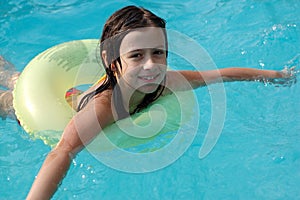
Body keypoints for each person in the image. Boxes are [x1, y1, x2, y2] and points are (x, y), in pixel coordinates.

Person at [0, 5, 296, 199]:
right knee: (11, 101)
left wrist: (276, 74)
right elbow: (62, 152)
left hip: (78, 93)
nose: (151, 65)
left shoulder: (168, 83)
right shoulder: (105, 108)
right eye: (137, 55)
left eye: (159, 53)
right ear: (111, 60)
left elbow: (219, 75)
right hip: (68, 106)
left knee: (18, 80)